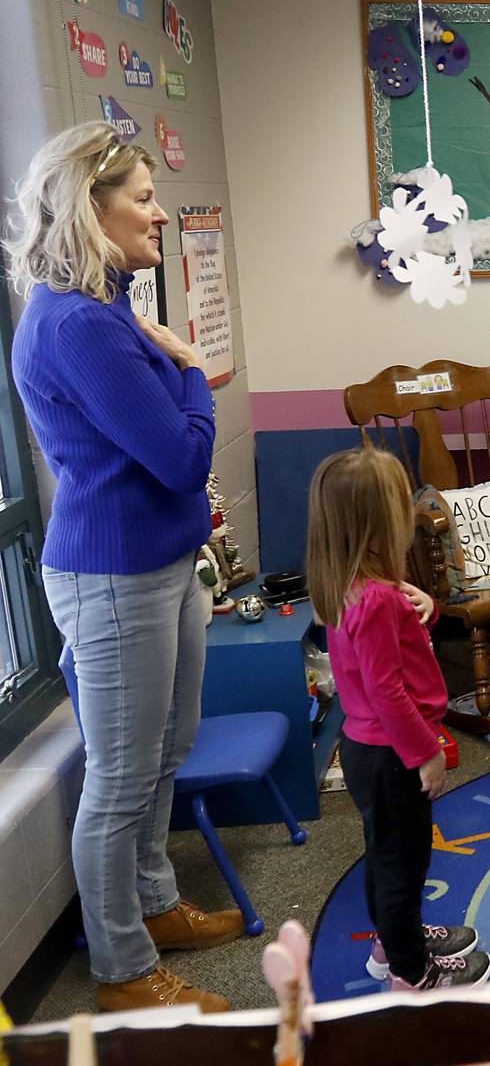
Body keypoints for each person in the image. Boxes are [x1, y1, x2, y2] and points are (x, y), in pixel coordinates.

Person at [6, 123, 237, 1013]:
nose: (160, 210)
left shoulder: (101, 305)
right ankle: (122, 970)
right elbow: (180, 458)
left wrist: (173, 374)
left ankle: (154, 905)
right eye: (142, 196)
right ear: (88, 206)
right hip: (113, 577)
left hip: (161, 562)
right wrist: (188, 370)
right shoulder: (77, 325)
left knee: (164, 751)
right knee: (119, 777)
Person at [307, 447, 490, 992]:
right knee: (404, 863)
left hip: (367, 750)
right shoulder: (380, 600)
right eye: (398, 510)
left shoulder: (346, 587)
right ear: (373, 529)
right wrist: (427, 752)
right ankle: (412, 973)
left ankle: (396, 938)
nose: (409, 520)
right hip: (393, 754)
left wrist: (425, 612)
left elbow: (385, 663)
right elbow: (389, 691)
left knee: (386, 854)